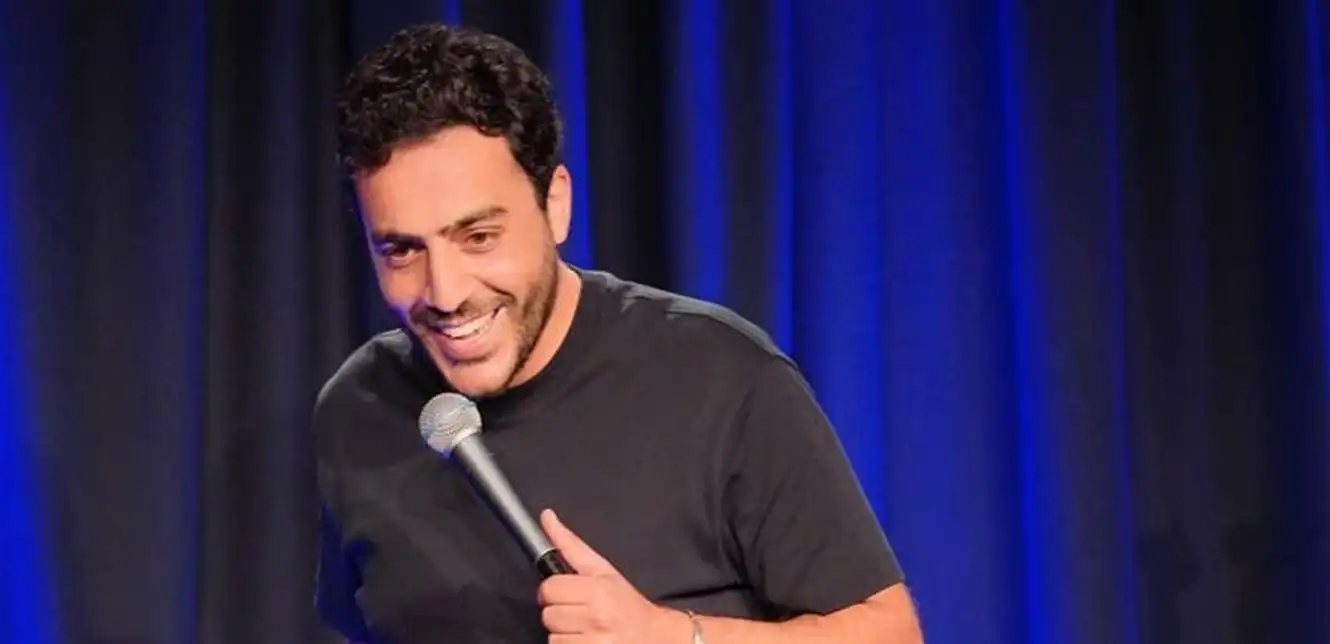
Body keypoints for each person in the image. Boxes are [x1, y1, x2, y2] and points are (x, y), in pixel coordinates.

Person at [313, 21, 924, 644]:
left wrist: (670, 636)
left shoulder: (720, 379)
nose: (445, 293)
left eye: (479, 237)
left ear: (555, 205)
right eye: (402, 251)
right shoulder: (359, 409)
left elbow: (891, 634)